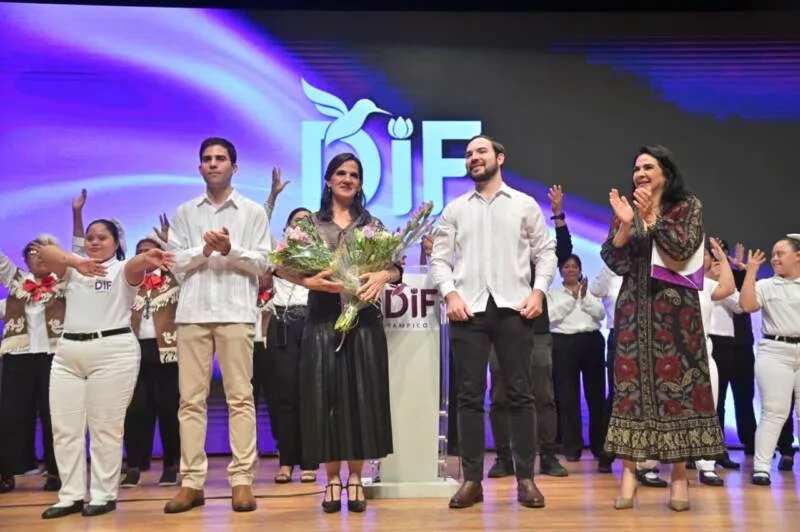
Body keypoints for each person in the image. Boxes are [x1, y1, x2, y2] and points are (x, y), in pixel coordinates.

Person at [431, 135, 556, 510]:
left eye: (481, 151)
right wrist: (450, 294)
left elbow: (546, 252)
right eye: (469, 154)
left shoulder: (524, 204)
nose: (473, 157)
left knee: (520, 394)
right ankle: (472, 480)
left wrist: (539, 292)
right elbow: (440, 260)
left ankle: (526, 479)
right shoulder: (455, 209)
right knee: (468, 397)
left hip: (514, 308)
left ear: (500, 158)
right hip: (467, 310)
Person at [601, 145, 725, 512]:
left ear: (665, 174)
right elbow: (614, 260)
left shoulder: (687, 206)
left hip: (676, 316)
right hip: (633, 312)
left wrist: (652, 216)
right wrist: (626, 224)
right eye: (636, 168)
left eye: (648, 167)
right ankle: (628, 476)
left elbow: (683, 249)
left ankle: (680, 477)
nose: (639, 173)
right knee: (630, 394)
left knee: (679, 394)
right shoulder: (627, 208)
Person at [277, 152, 400, 514]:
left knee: (361, 400)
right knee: (324, 401)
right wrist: (308, 281)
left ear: (360, 184)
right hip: (321, 320)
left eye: (354, 175)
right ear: (329, 180)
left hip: (363, 321)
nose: (348, 179)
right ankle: (332, 479)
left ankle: (356, 477)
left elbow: (396, 267)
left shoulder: (372, 225)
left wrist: (383, 275)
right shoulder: (309, 225)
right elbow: (280, 267)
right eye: (341, 173)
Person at [35, 219, 174, 519]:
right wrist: (77, 262)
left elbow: (137, 264)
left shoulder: (121, 269)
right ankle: (70, 496)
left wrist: (146, 258)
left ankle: (103, 495)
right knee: (64, 430)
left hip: (112, 351)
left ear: (116, 242)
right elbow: (44, 252)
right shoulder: (73, 268)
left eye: (102, 238)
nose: (95, 242)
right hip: (68, 353)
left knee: (105, 428)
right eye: (90, 238)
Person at [164, 137, 271, 514]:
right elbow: (175, 263)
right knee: (190, 401)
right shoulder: (185, 212)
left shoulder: (252, 212)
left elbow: (263, 264)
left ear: (234, 167)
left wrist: (230, 250)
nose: (213, 163)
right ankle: (191, 482)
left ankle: (242, 480)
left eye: (220, 158)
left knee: (240, 397)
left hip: (236, 311)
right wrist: (205, 250)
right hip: (192, 313)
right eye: (207, 159)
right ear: (199, 167)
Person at [487, 185, 571, 478]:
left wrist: (558, 215)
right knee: (500, 397)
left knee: (543, 396)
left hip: (536, 330)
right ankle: (503, 458)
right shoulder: (494, 252)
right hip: (499, 329)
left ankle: (547, 456)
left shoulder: (538, 252)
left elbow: (563, 252)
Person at [258, 168, 318, 484]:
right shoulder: (276, 254)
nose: (301, 226)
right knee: (284, 396)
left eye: (308, 222)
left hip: (312, 324)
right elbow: (257, 227)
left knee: (310, 395)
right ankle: (286, 461)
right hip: (281, 324)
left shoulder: (324, 256)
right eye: (296, 222)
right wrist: (272, 197)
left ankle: (309, 461)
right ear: (287, 229)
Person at [0, 236, 64, 494]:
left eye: (44, 253)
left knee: (54, 416)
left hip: (53, 356)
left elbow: (80, 255)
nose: (40, 257)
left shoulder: (64, 283)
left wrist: (77, 218)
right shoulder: (17, 282)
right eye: (34, 253)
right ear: (25, 260)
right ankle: (8, 472)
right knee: (11, 416)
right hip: (18, 357)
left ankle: (56, 471)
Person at [739, 235, 800, 486]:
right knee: (774, 412)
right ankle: (762, 467)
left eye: (780, 253)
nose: (774, 258)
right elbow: (747, 305)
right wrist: (751, 272)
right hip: (775, 351)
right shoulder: (766, 285)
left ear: (798, 256)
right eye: (773, 254)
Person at [547, 254, 606, 463]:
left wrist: (584, 297)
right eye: (567, 266)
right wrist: (572, 299)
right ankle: (572, 447)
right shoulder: (553, 294)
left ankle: (599, 446)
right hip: (563, 343)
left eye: (574, 266)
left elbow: (600, 314)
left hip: (592, 341)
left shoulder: (590, 291)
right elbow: (550, 316)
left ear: (580, 270)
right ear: (560, 271)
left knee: (596, 396)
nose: (571, 270)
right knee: (567, 397)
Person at [692, 238, 738, 487]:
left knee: (708, 410)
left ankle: (707, 466)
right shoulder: (668, 280)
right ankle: (647, 465)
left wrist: (722, 256)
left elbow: (728, 288)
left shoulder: (707, 285)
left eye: (704, 254)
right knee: (666, 411)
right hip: (671, 355)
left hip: (703, 354)